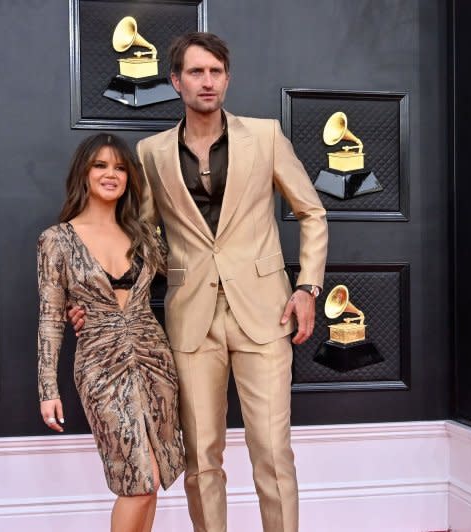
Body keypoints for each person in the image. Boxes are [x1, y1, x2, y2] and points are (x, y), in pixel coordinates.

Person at [71, 32, 327, 532]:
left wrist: (308, 287)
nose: (206, 81)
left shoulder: (267, 136)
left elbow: (312, 212)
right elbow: (138, 241)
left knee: (273, 456)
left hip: (266, 313)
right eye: (195, 72)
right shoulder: (151, 153)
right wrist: (93, 299)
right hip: (190, 322)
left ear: (226, 79)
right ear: (175, 82)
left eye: (214, 72)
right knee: (201, 460)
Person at [37, 133, 184, 532]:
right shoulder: (57, 240)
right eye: (100, 165)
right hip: (100, 368)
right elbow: (50, 317)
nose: (110, 174)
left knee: (152, 483)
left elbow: (187, 276)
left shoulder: (146, 235)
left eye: (120, 167)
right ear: (83, 173)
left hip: (155, 360)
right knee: (135, 481)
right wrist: (47, 388)